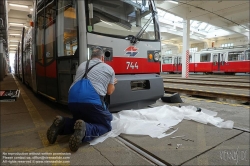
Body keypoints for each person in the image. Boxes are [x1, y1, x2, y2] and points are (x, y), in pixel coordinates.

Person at [47, 46, 117, 152]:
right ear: (102, 58)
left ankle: (63, 124)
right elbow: (109, 92)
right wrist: (113, 83)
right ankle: (86, 131)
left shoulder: (82, 65)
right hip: (91, 101)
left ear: (91, 57)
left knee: (80, 120)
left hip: (72, 100)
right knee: (106, 125)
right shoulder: (109, 69)